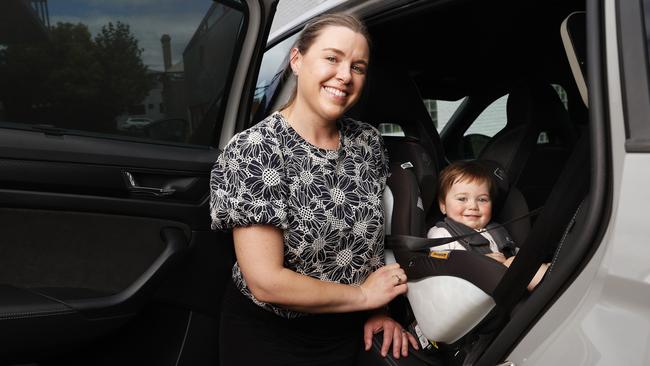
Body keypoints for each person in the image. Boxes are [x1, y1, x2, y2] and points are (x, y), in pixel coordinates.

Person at [210, 13, 418, 366]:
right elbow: (267, 282)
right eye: (332, 58)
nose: (345, 76)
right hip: (272, 337)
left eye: (358, 67)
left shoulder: (367, 141)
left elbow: (372, 245)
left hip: (351, 328)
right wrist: (363, 296)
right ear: (297, 59)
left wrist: (378, 308)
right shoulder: (256, 148)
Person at [427, 161, 548, 291]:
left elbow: (517, 255)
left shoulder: (495, 230)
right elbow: (439, 267)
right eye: (462, 199)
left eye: (482, 199)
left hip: (505, 285)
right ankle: (549, 286)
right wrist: (481, 263)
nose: (473, 206)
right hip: (468, 291)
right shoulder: (442, 234)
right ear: (443, 205)